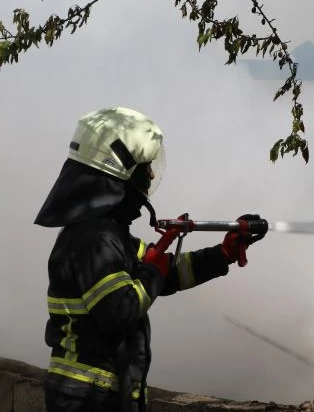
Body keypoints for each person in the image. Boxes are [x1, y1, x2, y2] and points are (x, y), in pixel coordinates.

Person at [35, 107, 256, 412]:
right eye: (145, 166)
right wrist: (152, 270)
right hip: (86, 398)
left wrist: (222, 254)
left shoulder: (111, 235)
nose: (151, 174)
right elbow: (118, 310)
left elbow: (167, 274)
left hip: (106, 394)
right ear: (117, 172)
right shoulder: (93, 239)